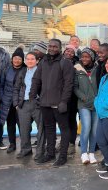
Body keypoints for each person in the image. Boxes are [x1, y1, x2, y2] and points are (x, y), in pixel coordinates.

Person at [29, 39, 74, 167]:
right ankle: (50, 153)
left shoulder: (65, 63)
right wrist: (32, 94)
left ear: (60, 48)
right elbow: (36, 79)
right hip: (45, 103)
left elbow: (68, 84)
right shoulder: (43, 62)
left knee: (64, 129)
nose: (52, 48)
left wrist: (64, 101)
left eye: (55, 46)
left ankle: (63, 156)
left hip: (59, 103)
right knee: (49, 129)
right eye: (50, 46)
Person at [13, 52, 44, 159]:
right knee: (24, 129)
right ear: (25, 61)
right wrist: (16, 104)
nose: (30, 61)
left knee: (41, 129)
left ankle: (40, 151)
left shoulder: (41, 72)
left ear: (37, 61)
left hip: (37, 104)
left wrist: (41, 101)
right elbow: (16, 88)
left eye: (32, 59)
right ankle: (26, 150)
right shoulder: (22, 72)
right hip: (23, 104)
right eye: (28, 59)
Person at [0, 47, 26, 154]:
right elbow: (1, 84)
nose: (17, 60)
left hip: (20, 101)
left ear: (22, 60)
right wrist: (2, 97)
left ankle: (24, 145)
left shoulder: (25, 70)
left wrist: (21, 99)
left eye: (19, 59)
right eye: (15, 58)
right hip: (7, 101)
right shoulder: (6, 69)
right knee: (10, 123)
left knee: (22, 124)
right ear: (12, 59)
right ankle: (12, 144)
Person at [74, 48, 99, 164]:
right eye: (82, 56)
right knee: (86, 127)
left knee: (94, 130)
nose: (84, 59)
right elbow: (75, 87)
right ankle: (84, 153)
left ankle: (92, 153)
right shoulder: (77, 68)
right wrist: (83, 97)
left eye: (87, 57)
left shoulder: (97, 68)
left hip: (96, 104)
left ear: (92, 58)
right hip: (83, 104)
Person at [63, 44, 79, 155]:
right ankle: (64, 142)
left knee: (71, 120)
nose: (69, 53)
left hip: (73, 97)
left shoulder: (77, 65)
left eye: (71, 52)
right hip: (60, 96)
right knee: (62, 121)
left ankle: (71, 143)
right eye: (67, 51)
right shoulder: (59, 62)